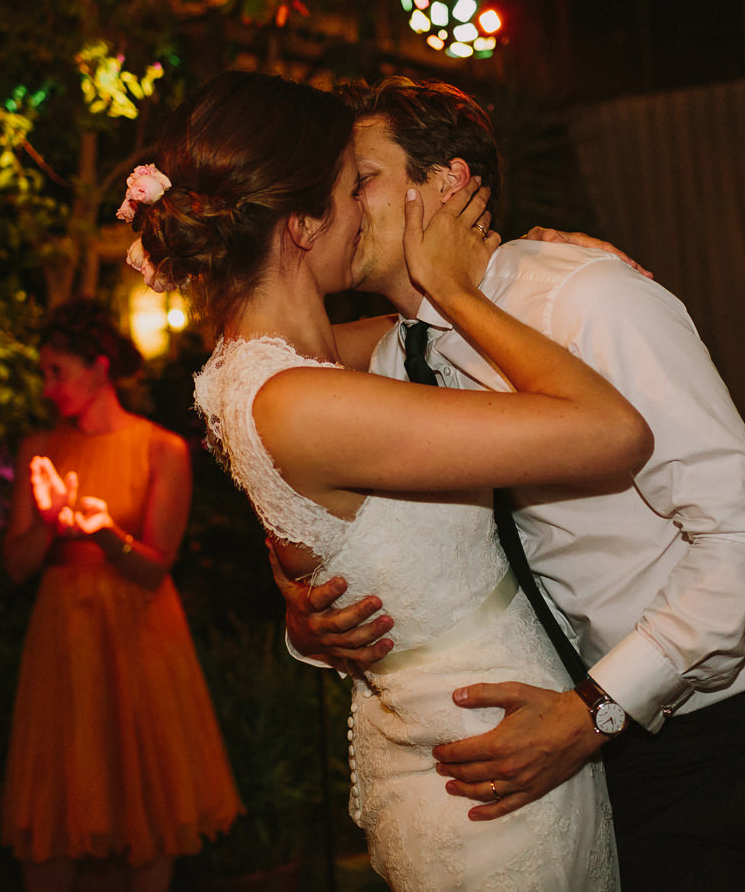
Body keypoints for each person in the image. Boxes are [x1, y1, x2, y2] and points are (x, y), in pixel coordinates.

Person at [281, 76, 745, 891]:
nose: (342, 205)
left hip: (720, 734)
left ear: (449, 181)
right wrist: (311, 621)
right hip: (578, 740)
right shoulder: (404, 357)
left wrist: (597, 709)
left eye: (360, 178)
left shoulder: (589, 299)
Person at [131, 70, 652, 890]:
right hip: (491, 783)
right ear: (303, 224)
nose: (367, 208)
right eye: (352, 187)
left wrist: (527, 265)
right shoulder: (305, 401)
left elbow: (429, 335)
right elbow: (613, 434)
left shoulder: (273, 368)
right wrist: (450, 282)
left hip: (464, 752)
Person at [0, 298, 241, 892]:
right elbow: (14, 567)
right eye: (44, 373)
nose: (48, 387)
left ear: (99, 367)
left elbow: (154, 569)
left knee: (148, 799)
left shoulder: (161, 449)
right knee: (59, 796)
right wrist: (53, 525)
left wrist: (103, 533)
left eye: (58, 371)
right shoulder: (39, 448)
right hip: (62, 637)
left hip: (138, 634)